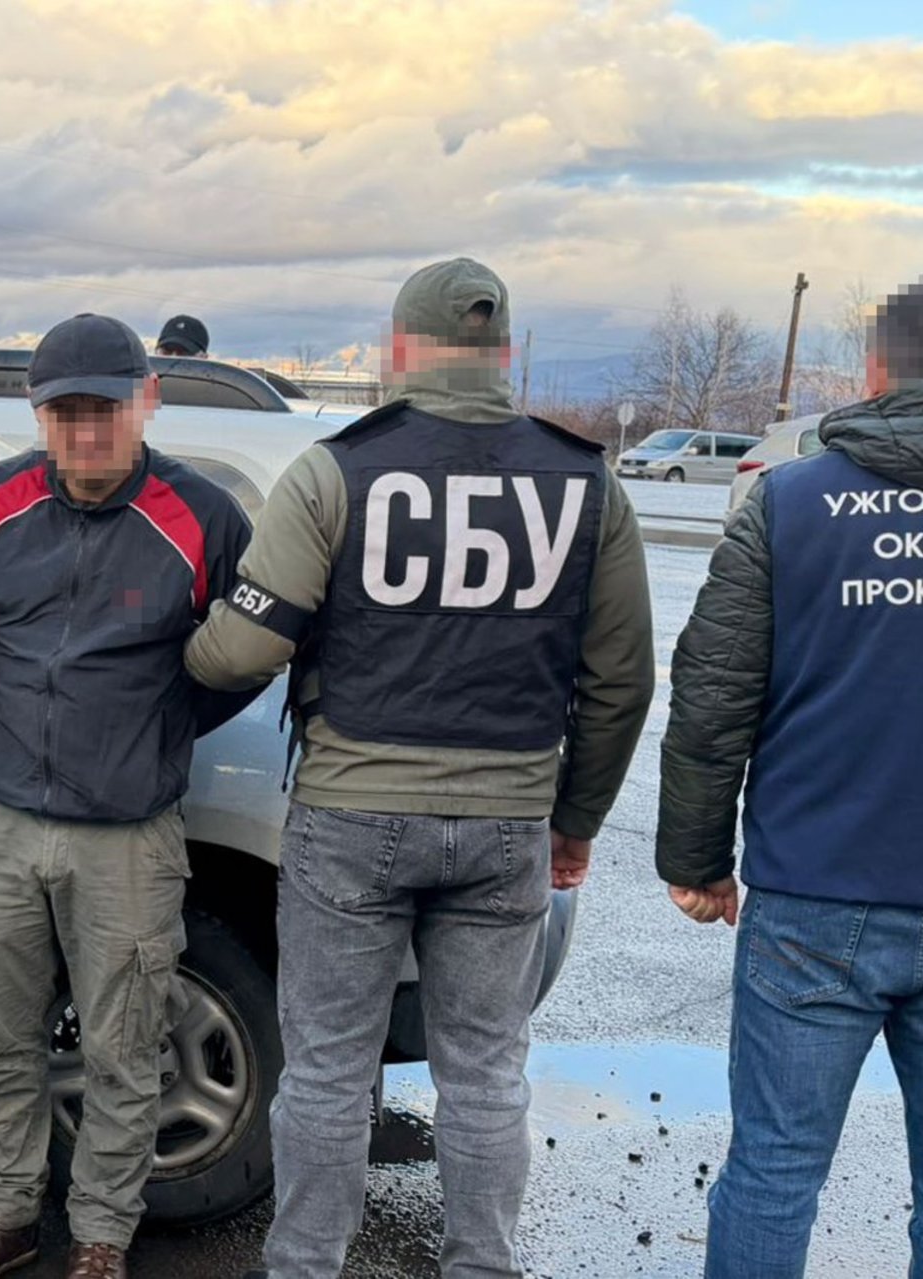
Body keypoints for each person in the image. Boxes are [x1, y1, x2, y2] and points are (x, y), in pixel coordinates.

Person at [184, 258, 655, 1279]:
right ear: (505, 351)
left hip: (352, 814)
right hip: (508, 818)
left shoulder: (337, 470)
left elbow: (246, 648)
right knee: (485, 1076)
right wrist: (574, 820)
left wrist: (178, 654)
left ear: (400, 349)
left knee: (326, 1071)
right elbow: (622, 680)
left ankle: (305, 1266)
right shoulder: (586, 484)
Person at [658, 271, 923, 1278]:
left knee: (773, 1168)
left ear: (878, 368)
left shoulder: (793, 502)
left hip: (816, 894)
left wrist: (696, 858)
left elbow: (713, 697)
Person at [0, 313, 259, 1279]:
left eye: (104, 409)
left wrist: (158, 721)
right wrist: (0, 715)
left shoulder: (204, 518)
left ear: (147, 399)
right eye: (64, 412)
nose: (85, 431)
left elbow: (242, 654)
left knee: (124, 1046)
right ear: (39, 414)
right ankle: (4, 1217)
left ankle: (103, 1235)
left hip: (126, 835)